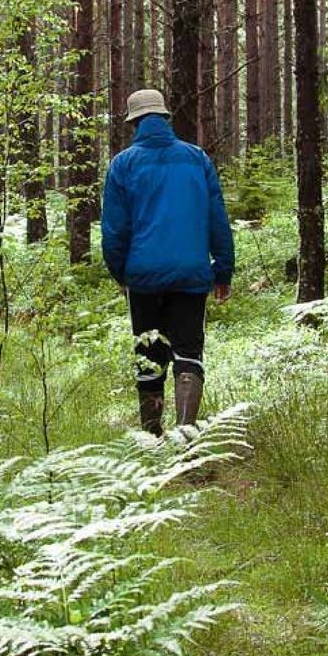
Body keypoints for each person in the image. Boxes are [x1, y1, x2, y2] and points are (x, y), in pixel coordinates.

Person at [100, 88, 235, 435]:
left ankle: (152, 437)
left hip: (143, 278)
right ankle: (185, 438)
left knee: (149, 355)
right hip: (191, 275)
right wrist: (223, 270)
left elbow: (115, 231)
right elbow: (216, 218)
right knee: (188, 351)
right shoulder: (196, 159)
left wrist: (122, 274)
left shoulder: (123, 164)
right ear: (164, 117)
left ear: (134, 123)